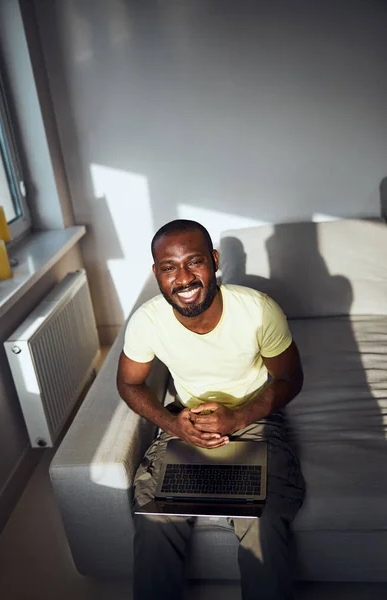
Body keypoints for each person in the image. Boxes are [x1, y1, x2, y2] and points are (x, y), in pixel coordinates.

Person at [117, 219, 305, 600]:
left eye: (194, 262)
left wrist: (236, 417)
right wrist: (173, 424)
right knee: (155, 517)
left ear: (214, 261)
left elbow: (290, 379)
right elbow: (129, 382)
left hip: (254, 419)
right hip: (187, 422)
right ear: (157, 273)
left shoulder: (257, 310)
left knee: (263, 522)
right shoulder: (147, 320)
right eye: (169, 267)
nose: (183, 278)